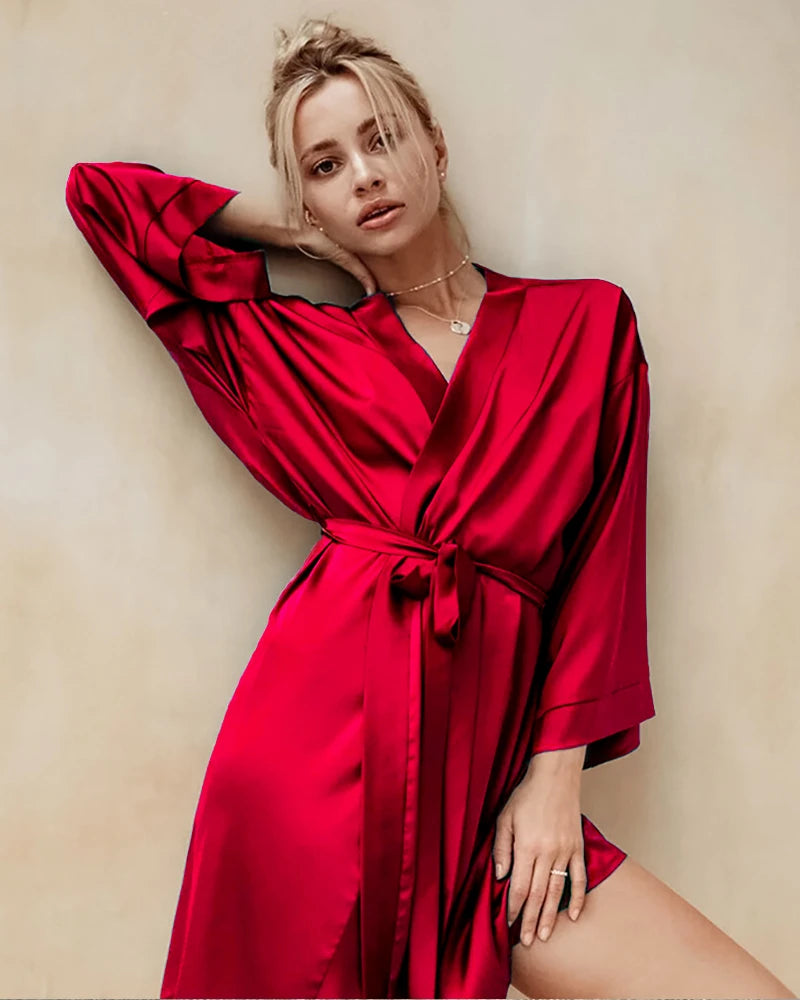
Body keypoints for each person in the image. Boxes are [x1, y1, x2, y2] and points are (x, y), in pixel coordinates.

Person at [64, 14, 795, 1000]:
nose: (364, 176)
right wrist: (289, 229)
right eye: (325, 166)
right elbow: (103, 199)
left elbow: (601, 567)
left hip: (495, 786)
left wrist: (553, 777)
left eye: (382, 139)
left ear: (435, 147)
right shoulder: (301, 350)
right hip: (311, 773)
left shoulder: (584, 326)